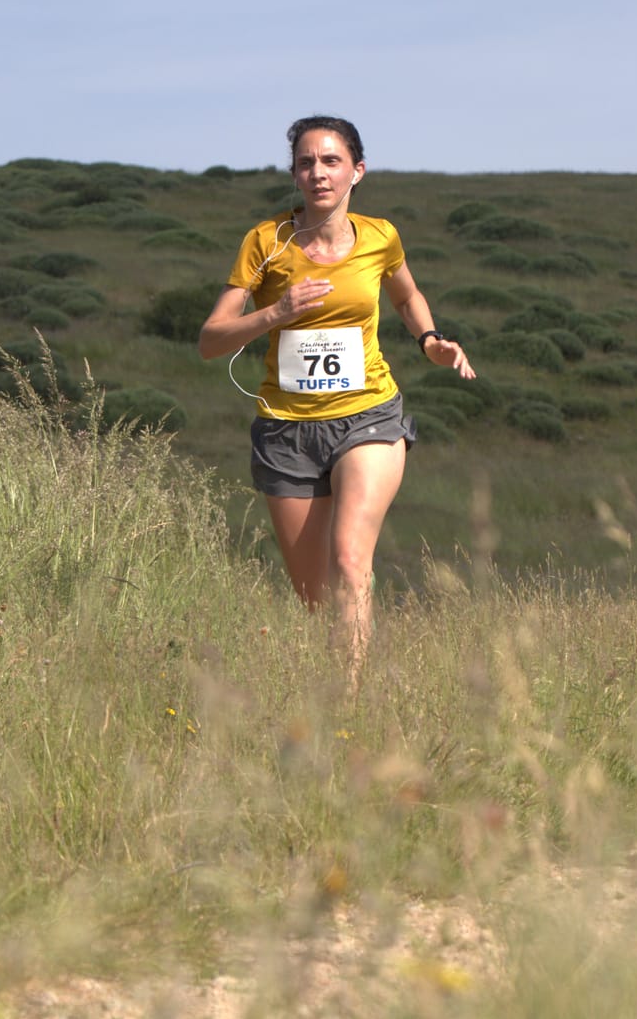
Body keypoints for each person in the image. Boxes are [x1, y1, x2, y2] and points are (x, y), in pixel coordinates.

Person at [199, 116, 475, 673]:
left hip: (367, 415)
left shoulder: (379, 236)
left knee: (351, 561)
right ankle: (335, 690)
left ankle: (351, 714)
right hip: (286, 429)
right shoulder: (265, 241)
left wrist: (430, 340)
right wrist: (276, 313)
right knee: (315, 599)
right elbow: (210, 341)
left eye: (331, 161)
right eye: (306, 162)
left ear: (357, 171)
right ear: (295, 174)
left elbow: (406, 294)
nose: (318, 172)